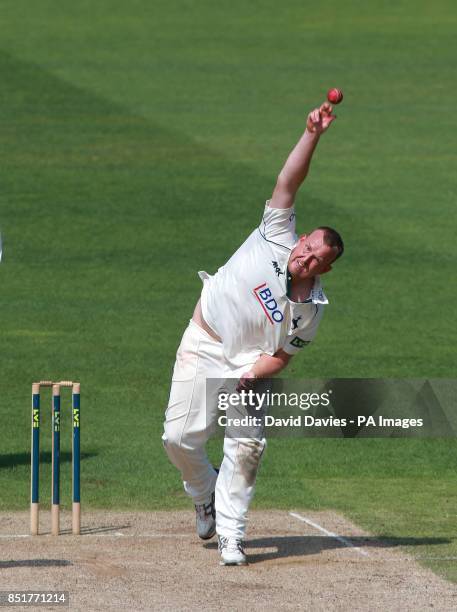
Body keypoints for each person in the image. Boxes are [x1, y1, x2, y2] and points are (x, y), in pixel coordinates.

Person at [162, 101, 344, 565]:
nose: (304, 258)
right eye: (307, 248)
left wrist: (255, 374)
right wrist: (312, 133)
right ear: (302, 239)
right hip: (204, 340)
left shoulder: (312, 309)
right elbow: (289, 181)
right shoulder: (275, 231)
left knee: (247, 446)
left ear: (324, 268)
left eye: (316, 260)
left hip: (249, 366)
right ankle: (204, 493)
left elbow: (284, 354)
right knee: (178, 441)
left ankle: (231, 535)